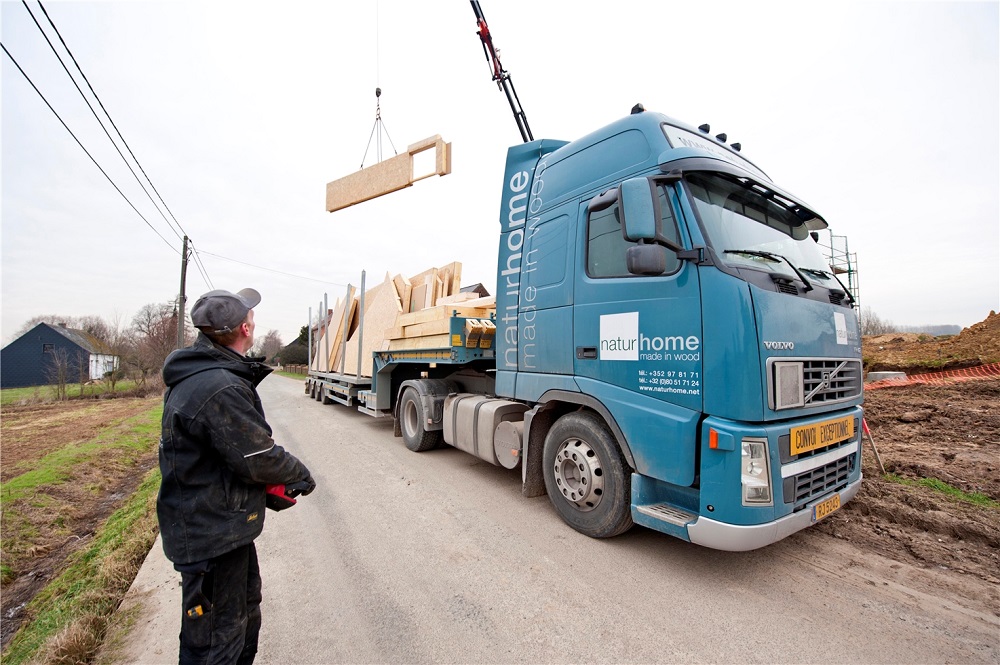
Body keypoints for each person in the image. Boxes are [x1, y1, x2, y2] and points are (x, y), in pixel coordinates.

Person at [157, 287, 315, 665]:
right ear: (245, 328)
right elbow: (258, 457)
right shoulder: (219, 387)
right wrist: (300, 475)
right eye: (251, 316)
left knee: (241, 617)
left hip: (221, 527)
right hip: (212, 537)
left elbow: (229, 455)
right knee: (216, 641)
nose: (254, 321)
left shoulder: (207, 375)